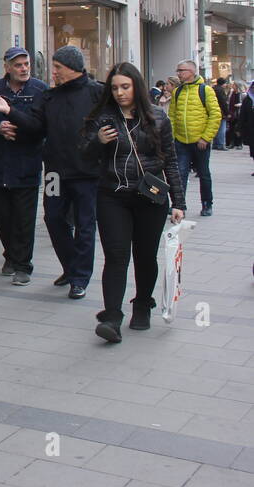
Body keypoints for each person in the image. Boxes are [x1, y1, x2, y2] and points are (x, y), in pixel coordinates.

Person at [81, 62, 184, 342]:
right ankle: (112, 317)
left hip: (149, 198)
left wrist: (179, 202)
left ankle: (142, 304)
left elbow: (171, 162)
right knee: (116, 256)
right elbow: (84, 157)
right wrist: (98, 142)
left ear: (136, 86)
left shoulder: (158, 118)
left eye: (124, 87)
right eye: (114, 88)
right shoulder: (103, 118)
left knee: (145, 256)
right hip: (112, 195)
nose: (119, 93)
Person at [21, 45, 102, 299]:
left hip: (87, 173)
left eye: (58, 67)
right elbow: (35, 127)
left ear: (73, 68)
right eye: (54, 67)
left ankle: (80, 278)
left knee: (85, 225)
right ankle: (71, 267)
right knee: (53, 218)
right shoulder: (49, 97)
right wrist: (9, 113)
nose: (53, 72)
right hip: (55, 173)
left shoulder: (97, 92)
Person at [0, 48, 48, 286]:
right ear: (7, 67)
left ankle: (23, 265)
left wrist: (13, 116)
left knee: (24, 220)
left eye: (26, 64)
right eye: (18, 65)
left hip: (26, 164)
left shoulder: (40, 90)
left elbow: (40, 127)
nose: (24, 68)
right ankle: (11, 255)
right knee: (3, 218)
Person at [169, 59, 223, 217]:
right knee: (180, 174)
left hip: (200, 142)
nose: (178, 73)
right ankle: (179, 206)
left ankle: (207, 204)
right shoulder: (177, 92)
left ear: (191, 72)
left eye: (181, 70)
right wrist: (171, 139)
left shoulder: (205, 90)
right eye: (177, 70)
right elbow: (171, 117)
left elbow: (215, 115)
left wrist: (206, 138)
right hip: (181, 141)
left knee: (204, 174)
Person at [213, 78, 231, 150]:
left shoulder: (213, 89)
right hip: (221, 112)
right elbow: (223, 102)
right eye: (225, 83)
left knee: (215, 129)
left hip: (213, 111)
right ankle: (220, 144)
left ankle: (215, 144)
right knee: (221, 129)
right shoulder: (220, 90)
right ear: (223, 83)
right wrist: (227, 113)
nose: (226, 85)